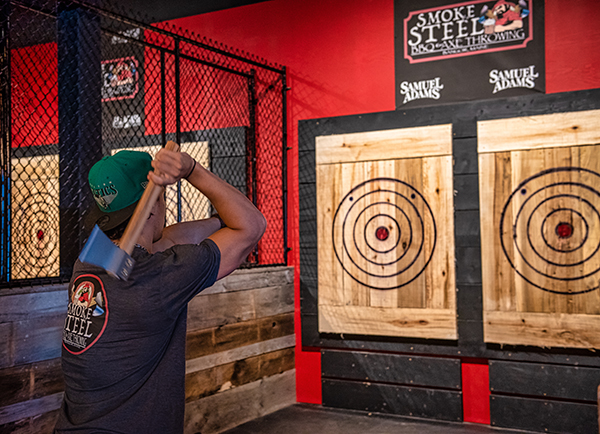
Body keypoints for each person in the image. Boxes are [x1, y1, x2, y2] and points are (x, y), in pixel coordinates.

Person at [54, 146, 266, 433]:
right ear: (153, 204)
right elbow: (251, 226)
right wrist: (192, 170)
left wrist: (220, 220)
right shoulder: (159, 278)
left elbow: (167, 238)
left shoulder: (90, 259)